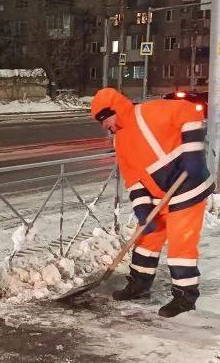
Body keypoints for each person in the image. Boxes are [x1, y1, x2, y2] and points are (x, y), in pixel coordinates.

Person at [89, 88, 213, 317]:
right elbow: (132, 177)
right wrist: (142, 207)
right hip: (159, 196)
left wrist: (193, 153)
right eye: (101, 122)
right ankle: (139, 285)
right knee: (146, 237)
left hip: (187, 187)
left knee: (180, 243)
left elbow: (190, 112)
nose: (105, 126)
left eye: (106, 119)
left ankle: (185, 296)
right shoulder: (120, 141)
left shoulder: (148, 112)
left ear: (116, 110)